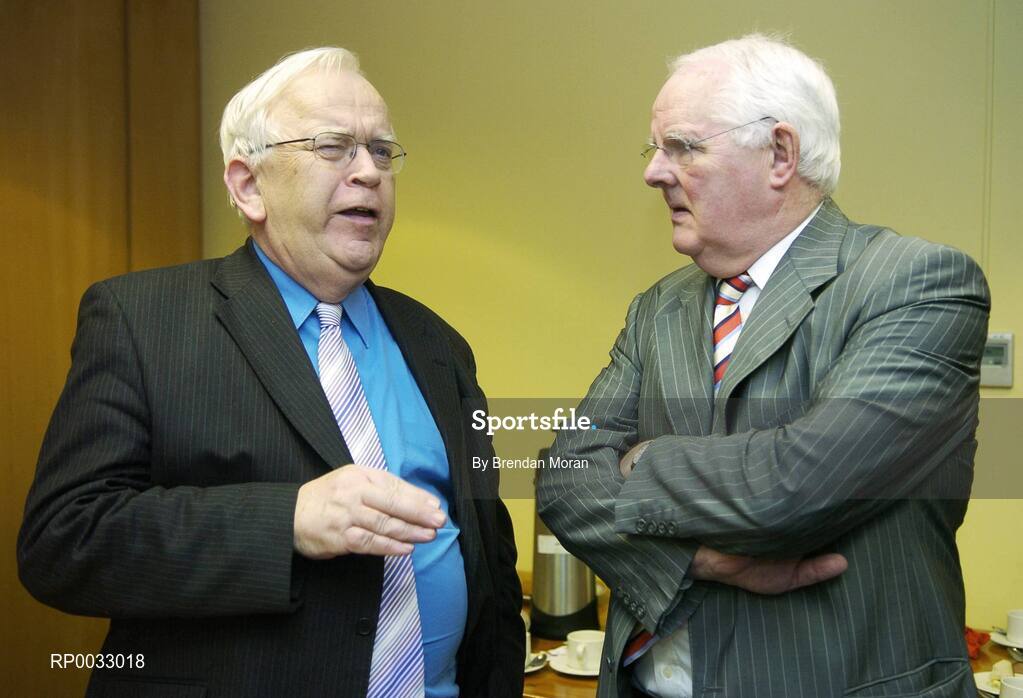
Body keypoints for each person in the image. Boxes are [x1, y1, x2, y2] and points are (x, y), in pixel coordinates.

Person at [18, 47, 524, 697]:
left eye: (381, 150)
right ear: (247, 185)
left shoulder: (437, 343)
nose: (367, 172)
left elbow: (489, 559)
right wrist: (286, 520)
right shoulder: (141, 321)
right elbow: (64, 543)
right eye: (333, 146)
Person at [537, 34, 989, 698]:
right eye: (654, 149)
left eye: (682, 147)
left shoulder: (915, 283)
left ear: (779, 153)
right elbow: (563, 480)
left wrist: (640, 459)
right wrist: (696, 560)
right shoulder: (656, 308)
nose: (653, 172)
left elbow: (796, 488)